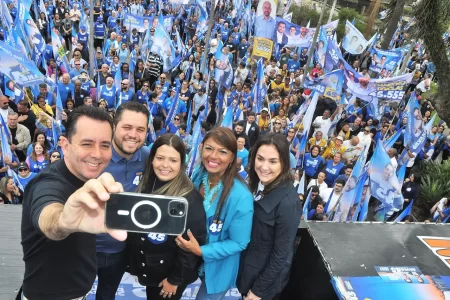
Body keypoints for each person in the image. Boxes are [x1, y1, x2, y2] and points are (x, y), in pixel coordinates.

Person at [21, 106, 127, 300]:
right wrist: (64, 221)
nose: (97, 154)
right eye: (87, 144)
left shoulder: (89, 179)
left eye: (105, 145)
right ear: (65, 145)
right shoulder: (47, 182)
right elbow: (49, 215)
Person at [175, 127, 254, 299]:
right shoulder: (199, 174)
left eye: (223, 152)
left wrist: (201, 251)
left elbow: (239, 243)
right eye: (209, 148)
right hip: (186, 258)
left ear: (233, 157)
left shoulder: (241, 196)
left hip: (218, 267)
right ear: (201, 148)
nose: (213, 156)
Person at [127, 134, 206, 299]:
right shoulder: (147, 185)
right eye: (160, 158)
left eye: (173, 160)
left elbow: (191, 246)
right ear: (152, 159)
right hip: (152, 272)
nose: (165, 165)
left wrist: (175, 279)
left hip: (169, 277)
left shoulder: (188, 198)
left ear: (181, 164)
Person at [95, 102, 150, 300]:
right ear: (114, 127)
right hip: (84, 246)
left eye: (140, 129)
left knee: (106, 296)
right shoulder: (95, 155)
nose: (133, 134)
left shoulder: (148, 157)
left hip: (120, 250)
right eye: (127, 127)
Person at [237, 133, 302, 300]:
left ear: (284, 163)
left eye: (273, 161)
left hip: (262, 285)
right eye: (260, 159)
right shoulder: (255, 183)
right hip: (247, 270)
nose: (264, 167)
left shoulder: (288, 202)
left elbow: (281, 255)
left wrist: (258, 291)